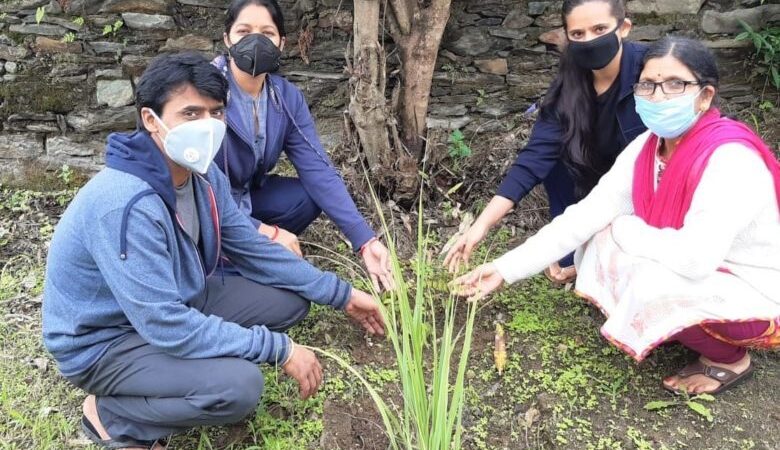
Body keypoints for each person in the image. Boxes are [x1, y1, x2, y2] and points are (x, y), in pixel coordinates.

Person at [42, 52, 385, 449]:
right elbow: (164, 323)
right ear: (151, 119)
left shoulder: (202, 173)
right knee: (238, 387)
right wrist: (278, 348)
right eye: (190, 114)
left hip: (172, 299)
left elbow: (251, 246)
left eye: (216, 112)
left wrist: (340, 294)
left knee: (290, 302)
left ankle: (176, 367)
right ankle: (111, 414)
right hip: (106, 341)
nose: (206, 126)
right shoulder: (124, 204)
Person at [453, 37, 780, 395]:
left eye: (675, 84)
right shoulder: (647, 147)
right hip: (705, 272)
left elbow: (695, 258)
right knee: (598, 236)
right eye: (648, 85)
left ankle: (728, 359)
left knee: (640, 268)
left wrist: (628, 228)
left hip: (758, 290)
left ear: (704, 96)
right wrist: (503, 269)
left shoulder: (729, 158)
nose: (659, 96)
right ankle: (673, 327)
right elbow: (584, 216)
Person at [445, 0, 647, 284]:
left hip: (646, 183)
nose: (589, 41)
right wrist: (481, 225)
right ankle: (574, 256)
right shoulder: (570, 81)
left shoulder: (652, 73)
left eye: (600, 29)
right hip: (595, 177)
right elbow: (535, 158)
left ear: (623, 28)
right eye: (578, 34)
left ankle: (606, 259)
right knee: (556, 164)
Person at [212, 0, 394, 292]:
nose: (255, 41)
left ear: (281, 43)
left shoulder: (285, 98)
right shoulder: (204, 94)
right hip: (205, 204)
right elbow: (195, 188)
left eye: (267, 33)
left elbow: (317, 168)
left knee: (307, 195)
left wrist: (364, 239)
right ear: (227, 39)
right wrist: (267, 233)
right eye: (244, 31)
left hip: (247, 194)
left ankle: (247, 253)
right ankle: (222, 257)